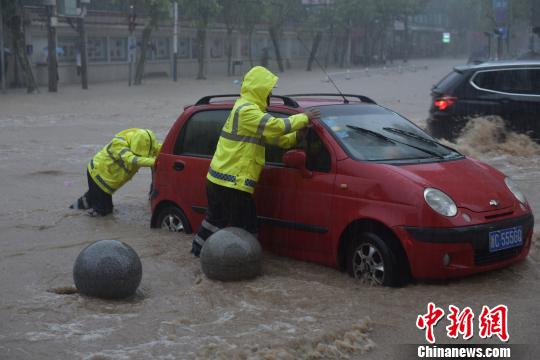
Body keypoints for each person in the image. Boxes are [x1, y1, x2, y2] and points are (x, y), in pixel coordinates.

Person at [191, 66, 320, 256]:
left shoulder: (247, 110)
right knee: (245, 228)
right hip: (232, 182)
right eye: (269, 90)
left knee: (216, 220)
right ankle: (242, 263)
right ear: (260, 89)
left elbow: (277, 139)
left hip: (221, 180)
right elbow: (276, 126)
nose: (270, 94)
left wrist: (297, 137)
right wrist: (303, 117)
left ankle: (197, 253)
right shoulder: (246, 111)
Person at [71, 128, 162, 217]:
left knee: (88, 202)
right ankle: (77, 219)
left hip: (107, 179)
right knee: (103, 212)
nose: (142, 156)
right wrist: (155, 162)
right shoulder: (119, 143)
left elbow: (161, 148)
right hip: (98, 176)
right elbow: (131, 159)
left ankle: (72, 212)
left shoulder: (149, 144)